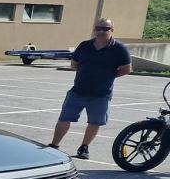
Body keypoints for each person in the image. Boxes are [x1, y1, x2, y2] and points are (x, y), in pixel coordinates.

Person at [50, 18, 132, 160]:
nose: (101, 31)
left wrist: (108, 77)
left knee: (94, 122)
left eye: (105, 29)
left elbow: (126, 69)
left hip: (101, 94)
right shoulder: (85, 45)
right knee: (64, 118)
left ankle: (84, 147)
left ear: (112, 30)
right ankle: (54, 145)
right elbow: (74, 63)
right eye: (98, 28)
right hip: (77, 91)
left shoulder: (119, 49)